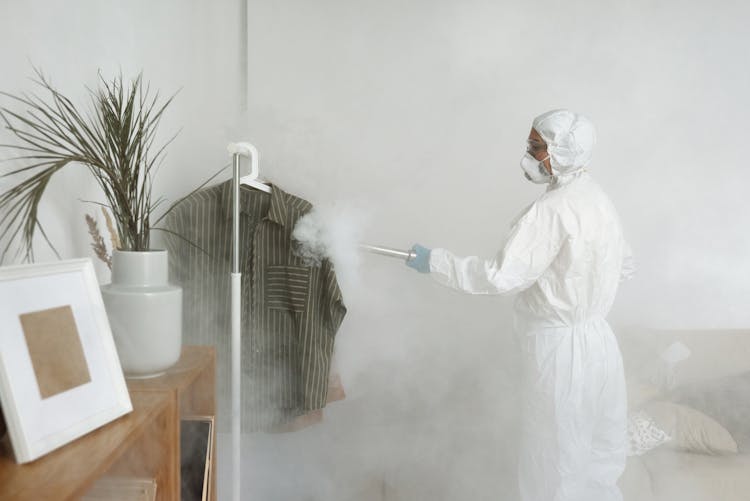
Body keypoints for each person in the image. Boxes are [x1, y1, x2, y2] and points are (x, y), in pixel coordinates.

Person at [406, 109, 634, 501]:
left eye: (536, 146)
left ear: (561, 151)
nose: (528, 154)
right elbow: (625, 265)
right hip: (600, 342)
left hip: (560, 351)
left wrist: (436, 263)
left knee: (555, 469)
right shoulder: (596, 198)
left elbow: (499, 277)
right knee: (601, 461)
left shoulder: (552, 209)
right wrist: (575, 284)